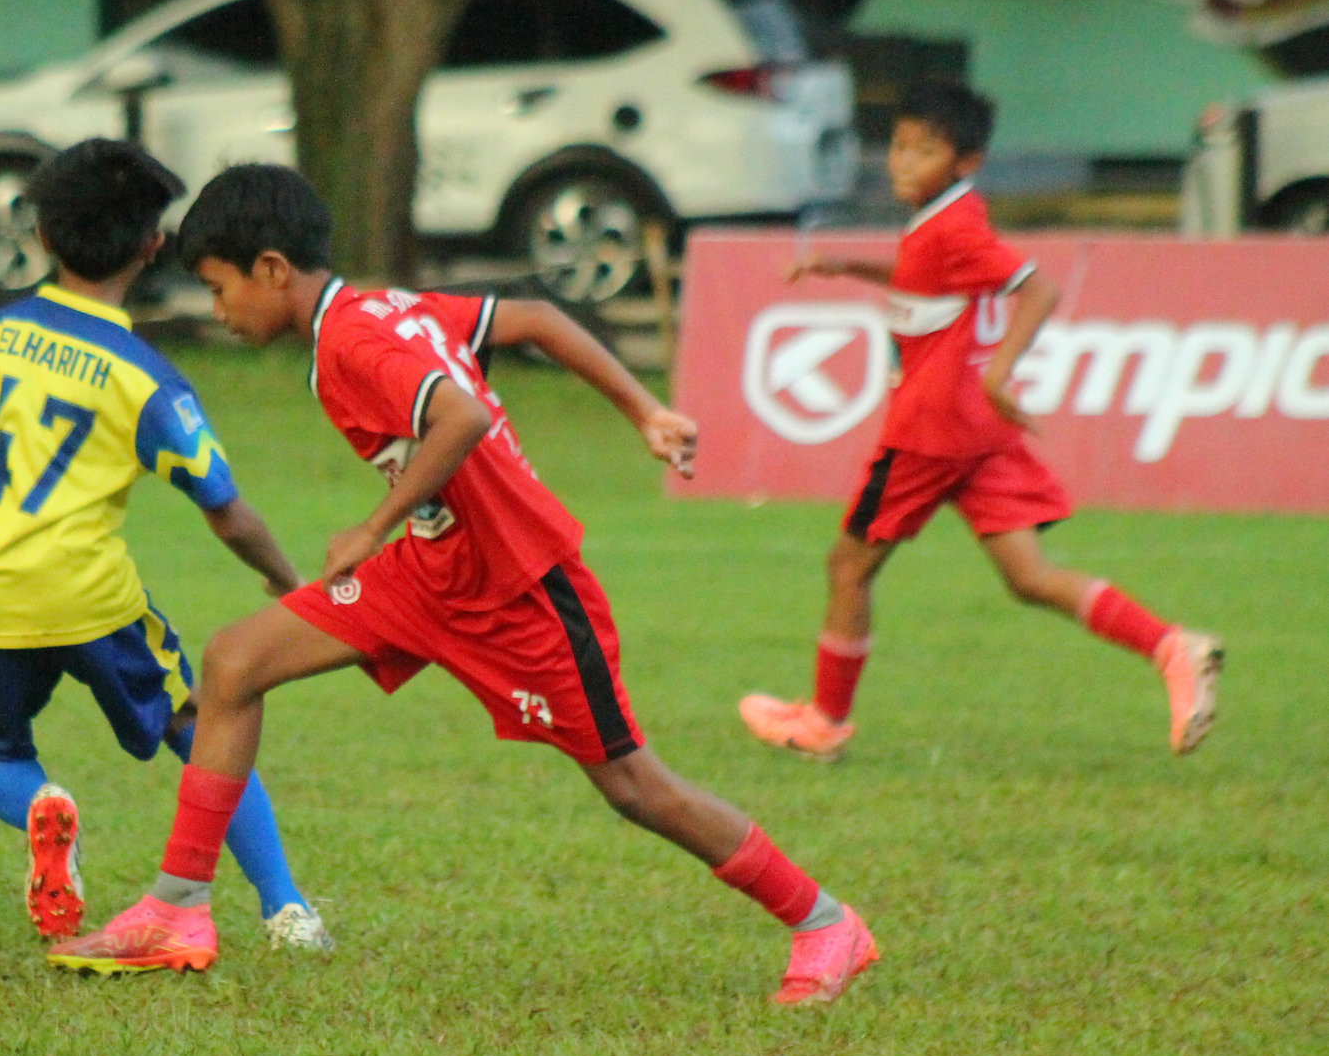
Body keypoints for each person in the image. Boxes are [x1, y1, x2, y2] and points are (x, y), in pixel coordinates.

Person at [47, 164, 878, 1005]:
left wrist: (372, 527)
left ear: (271, 269)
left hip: (520, 585)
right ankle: (178, 907)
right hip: (432, 569)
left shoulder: (355, 340)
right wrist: (644, 410)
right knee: (232, 664)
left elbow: (464, 417)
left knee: (636, 786)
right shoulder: (383, 307)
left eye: (219, 289)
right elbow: (541, 320)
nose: (218, 311)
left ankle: (823, 922)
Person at [0, 140, 330, 952]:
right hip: (90, 597)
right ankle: (286, 906)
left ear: (42, 237)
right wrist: (287, 577)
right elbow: (226, 510)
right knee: (203, 725)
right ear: (153, 247)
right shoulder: (144, 376)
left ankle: (43, 807)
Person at [739, 79, 1221, 761]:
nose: (903, 161)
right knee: (1029, 577)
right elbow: (925, 277)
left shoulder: (956, 225)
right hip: (973, 431)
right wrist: (847, 264)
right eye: (900, 146)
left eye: (924, 150)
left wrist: (1000, 373)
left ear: (965, 161)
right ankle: (1173, 647)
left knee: (848, 565)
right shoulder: (946, 217)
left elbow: (1038, 288)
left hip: (930, 431)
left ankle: (823, 721)